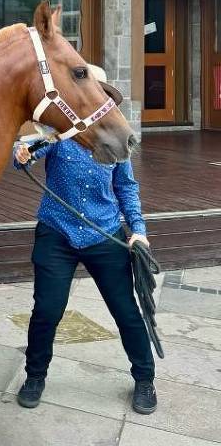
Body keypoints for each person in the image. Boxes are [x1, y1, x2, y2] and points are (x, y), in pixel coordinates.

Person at [13, 138, 157, 415]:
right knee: (46, 310)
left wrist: (138, 229)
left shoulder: (116, 140)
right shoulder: (60, 133)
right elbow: (28, 153)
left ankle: (144, 379)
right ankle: (35, 376)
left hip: (103, 234)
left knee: (126, 311)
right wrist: (21, 153)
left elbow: (126, 187)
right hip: (56, 234)